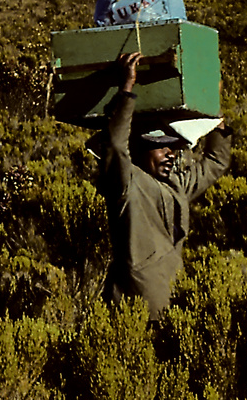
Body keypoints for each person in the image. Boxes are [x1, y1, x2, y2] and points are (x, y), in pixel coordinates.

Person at [99, 51, 233, 317]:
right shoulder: (127, 183)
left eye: (172, 147)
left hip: (174, 302)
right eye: (159, 147)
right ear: (137, 151)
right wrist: (126, 89)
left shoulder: (175, 184)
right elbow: (115, 145)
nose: (170, 154)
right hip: (134, 308)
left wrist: (214, 107)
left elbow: (216, 162)